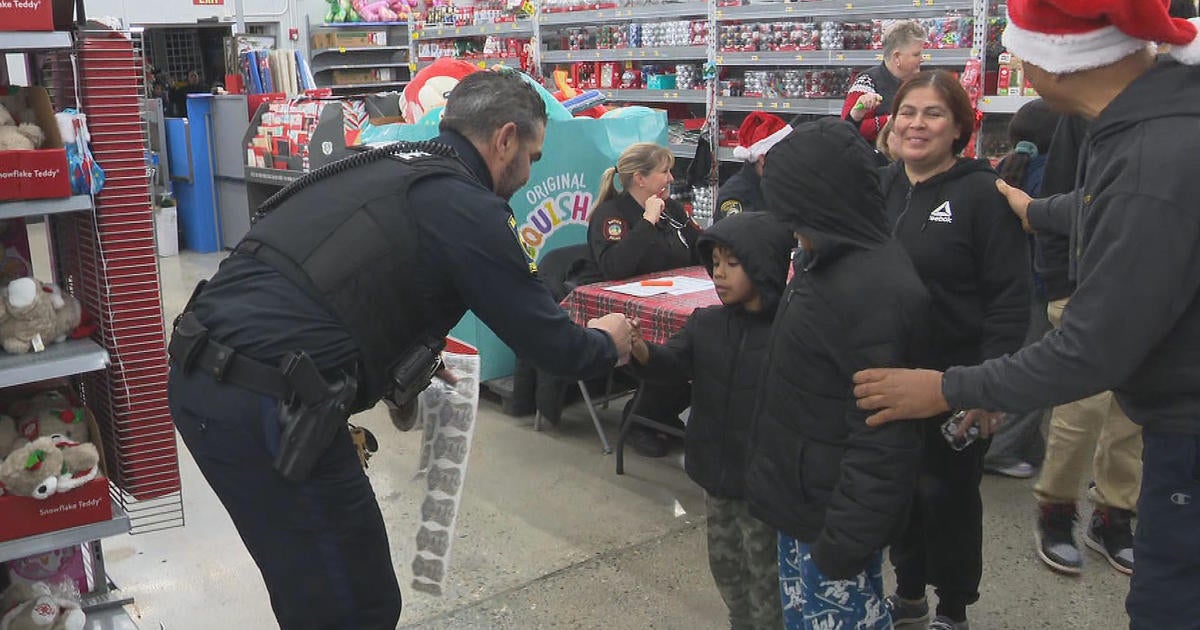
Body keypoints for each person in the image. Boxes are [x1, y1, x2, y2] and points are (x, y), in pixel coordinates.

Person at [165, 70, 635, 630]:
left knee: (310, 586)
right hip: (269, 405)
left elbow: (334, 274)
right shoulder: (467, 207)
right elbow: (556, 347)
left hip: (203, 377)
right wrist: (608, 341)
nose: (528, 173)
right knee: (355, 606)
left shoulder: (389, 166)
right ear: (504, 138)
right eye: (531, 155)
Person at [852, 2, 1200, 628]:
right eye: (908, 111)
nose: (1013, 61)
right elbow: (1111, 206)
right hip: (1166, 413)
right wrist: (1039, 210)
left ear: (1056, 60)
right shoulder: (1145, 127)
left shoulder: (1155, 151)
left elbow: (1087, 347)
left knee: (1168, 604)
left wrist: (950, 388)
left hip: (1182, 430)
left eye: (1018, 49)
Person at [743, 117, 930, 630]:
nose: (787, 225)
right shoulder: (825, 259)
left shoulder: (870, 289)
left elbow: (884, 440)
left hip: (830, 521)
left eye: (791, 212)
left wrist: (844, 543)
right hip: (806, 503)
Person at [878, 70, 1030, 630]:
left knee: (949, 499)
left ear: (959, 126)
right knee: (899, 491)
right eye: (908, 112)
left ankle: (953, 608)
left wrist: (988, 389)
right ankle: (910, 593)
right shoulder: (885, 186)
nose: (917, 124)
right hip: (890, 380)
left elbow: (1011, 301)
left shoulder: (980, 196)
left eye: (933, 113)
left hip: (956, 383)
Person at [629, 211, 794, 630]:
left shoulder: (791, 332)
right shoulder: (707, 322)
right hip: (716, 474)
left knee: (767, 579)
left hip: (766, 484)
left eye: (732, 264)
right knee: (727, 568)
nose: (719, 274)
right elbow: (669, 363)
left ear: (763, 264)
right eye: (715, 263)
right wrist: (641, 349)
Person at [585, 141, 702, 458]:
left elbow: (700, 244)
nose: (670, 178)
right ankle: (640, 420)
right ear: (640, 178)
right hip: (625, 314)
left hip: (672, 302)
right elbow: (615, 268)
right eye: (664, 172)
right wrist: (648, 221)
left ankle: (658, 416)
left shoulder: (672, 210)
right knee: (683, 349)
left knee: (704, 343)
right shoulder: (611, 216)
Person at [982, 98, 1059, 480]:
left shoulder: (1006, 169)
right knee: (1037, 373)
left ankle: (1021, 444)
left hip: (1005, 284)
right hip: (1041, 285)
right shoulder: (1051, 173)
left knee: (1012, 365)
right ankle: (1001, 450)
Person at [842, 20, 928, 144]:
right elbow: (847, 127)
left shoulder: (921, 83)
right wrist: (892, 121)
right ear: (897, 57)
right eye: (916, 54)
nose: (922, 59)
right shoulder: (867, 82)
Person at [715, 112, 792, 221]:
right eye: (784, 156)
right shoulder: (736, 194)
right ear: (763, 159)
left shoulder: (777, 184)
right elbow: (744, 235)